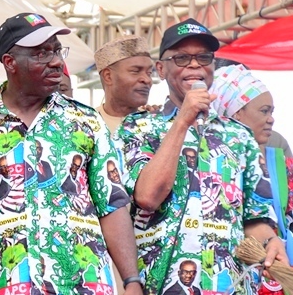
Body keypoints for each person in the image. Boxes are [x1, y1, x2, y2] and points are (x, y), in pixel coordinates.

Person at [0, 12, 141, 295]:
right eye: (41, 54)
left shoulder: (86, 122)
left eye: (56, 51)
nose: (56, 61)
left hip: (81, 286)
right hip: (5, 285)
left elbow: (112, 206)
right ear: (10, 62)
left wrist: (131, 280)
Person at [118, 18, 285, 295]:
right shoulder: (138, 127)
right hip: (162, 285)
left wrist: (270, 242)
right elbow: (147, 196)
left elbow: (255, 218)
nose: (195, 65)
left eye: (203, 57)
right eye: (182, 58)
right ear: (161, 69)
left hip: (229, 285)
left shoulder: (239, 136)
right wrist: (182, 120)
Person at [211, 64, 290, 295]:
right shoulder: (208, 162)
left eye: (272, 111)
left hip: (271, 271)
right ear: (236, 114)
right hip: (228, 276)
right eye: (264, 111)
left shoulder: (280, 156)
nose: (271, 119)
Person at [94, 35, 153, 133]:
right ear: (108, 76)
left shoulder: (157, 124)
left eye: (149, 73)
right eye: (135, 71)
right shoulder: (86, 125)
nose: (147, 80)